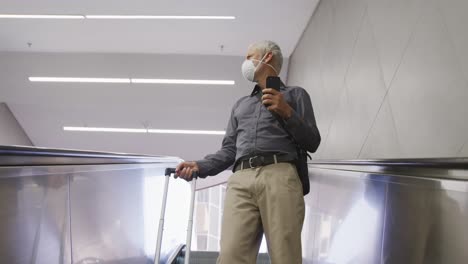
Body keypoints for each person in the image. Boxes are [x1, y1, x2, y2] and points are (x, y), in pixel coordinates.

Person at [176, 40, 321, 264]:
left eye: (249, 56)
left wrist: (287, 111)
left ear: (268, 57)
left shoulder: (295, 95)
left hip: (280, 174)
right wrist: (200, 166)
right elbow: (229, 150)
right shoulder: (240, 105)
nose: (246, 62)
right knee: (231, 256)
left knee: (285, 255)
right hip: (240, 179)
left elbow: (312, 141)